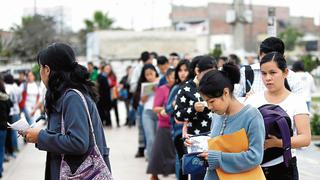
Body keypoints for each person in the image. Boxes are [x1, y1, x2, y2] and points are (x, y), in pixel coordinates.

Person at [22, 43, 111, 180]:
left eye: (40, 68)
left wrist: (41, 136)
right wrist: (36, 136)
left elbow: (78, 143)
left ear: (47, 69)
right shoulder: (63, 95)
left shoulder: (72, 97)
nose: (40, 73)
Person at [246, 52, 311, 180]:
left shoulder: (296, 101)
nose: (267, 78)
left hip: (284, 168)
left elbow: (305, 138)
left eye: (272, 72)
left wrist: (278, 143)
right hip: (254, 167)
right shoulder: (253, 100)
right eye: (264, 74)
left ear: (285, 72)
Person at [197, 63, 265, 180]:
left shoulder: (251, 116)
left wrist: (218, 158)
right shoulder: (217, 116)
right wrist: (196, 144)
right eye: (206, 102)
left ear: (226, 93)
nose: (209, 106)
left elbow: (255, 157)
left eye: (212, 101)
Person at [174, 56, 216, 180]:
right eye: (207, 73)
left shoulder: (216, 85)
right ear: (198, 71)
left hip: (215, 137)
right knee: (198, 174)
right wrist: (193, 109)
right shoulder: (186, 89)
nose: (211, 77)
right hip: (195, 140)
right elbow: (178, 114)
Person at [234, 37, 303, 99]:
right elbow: (232, 102)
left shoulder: (293, 78)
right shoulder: (245, 73)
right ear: (259, 55)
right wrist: (246, 101)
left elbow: (300, 106)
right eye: (265, 59)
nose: (268, 78)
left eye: (273, 72)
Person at [147, 68, 176, 180]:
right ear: (167, 78)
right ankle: (154, 174)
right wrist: (166, 109)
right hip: (164, 125)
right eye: (172, 77)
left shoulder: (179, 88)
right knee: (158, 151)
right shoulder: (161, 89)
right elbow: (155, 108)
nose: (174, 79)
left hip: (177, 125)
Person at [166, 59, 190, 180]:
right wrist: (175, 103)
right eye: (180, 70)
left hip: (192, 131)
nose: (182, 73)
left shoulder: (194, 87)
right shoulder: (176, 88)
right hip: (178, 131)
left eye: (185, 70)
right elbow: (167, 109)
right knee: (181, 162)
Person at [133, 64, 159, 160]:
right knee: (150, 137)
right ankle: (151, 159)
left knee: (158, 138)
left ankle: (157, 158)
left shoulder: (161, 82)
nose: (149, 76)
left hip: (159, 112)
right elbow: (142, 101)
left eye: (151, 74)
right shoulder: (143, 85)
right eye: (147, 75)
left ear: (155, 73)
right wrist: (148, 91)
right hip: (147, 113)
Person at [130, 51, 152, 158]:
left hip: (151, 105)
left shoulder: (153, 68)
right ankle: (141, 147)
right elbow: (133, 85)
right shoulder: (137, 69)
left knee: (150, 130)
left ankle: (149, 149)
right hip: (141, 103)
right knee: (142, 128)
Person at [0, 77, 12, 178]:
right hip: (2, 126)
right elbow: (10, 107)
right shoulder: (5, 97)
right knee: (1, 148)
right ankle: (0, 170)